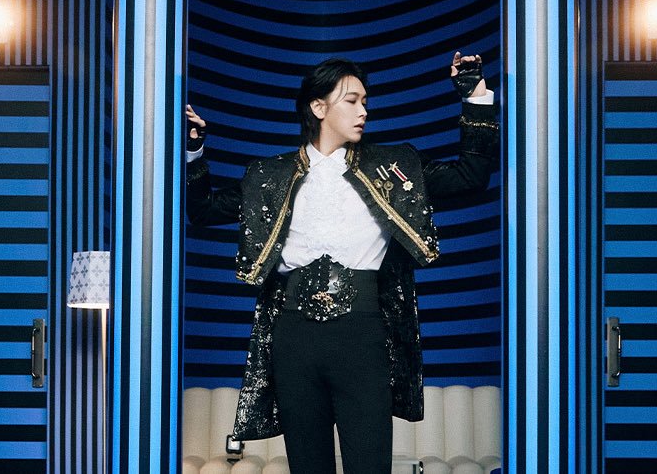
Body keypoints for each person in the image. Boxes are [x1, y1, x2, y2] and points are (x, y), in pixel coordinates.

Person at [184, 53, 498, 473]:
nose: (363, 111)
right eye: (352, 101)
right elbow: (202, 210)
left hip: (363, 334)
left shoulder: (393, 165)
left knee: (369, 465)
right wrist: (193, 149)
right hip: (293, 338)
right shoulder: (268, 175)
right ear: (318, 107)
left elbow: (469, 177)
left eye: (365, 102)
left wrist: (475, 96)